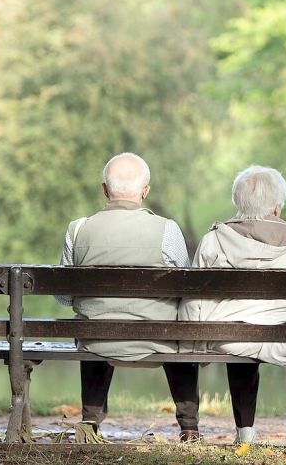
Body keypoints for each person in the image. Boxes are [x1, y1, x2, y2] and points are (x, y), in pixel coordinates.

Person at [179, 165, 286, 445]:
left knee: (240, 327)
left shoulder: (214, 240)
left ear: (238, 204)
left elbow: (196, 296)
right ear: (277, 208)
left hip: (232, 337)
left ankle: (245, 432)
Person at [56, 152, 200, 442]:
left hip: (97, 339)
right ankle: (189, 427)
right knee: (181, 327)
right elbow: (185, 290)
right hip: (158, 337)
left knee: (94, 321)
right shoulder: (167, 230)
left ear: (105, 190)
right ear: (145, 192)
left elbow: (64, 297)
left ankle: (91, 422)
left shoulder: (78, 229)